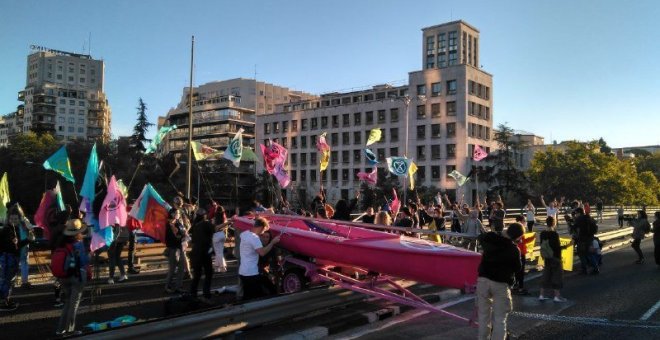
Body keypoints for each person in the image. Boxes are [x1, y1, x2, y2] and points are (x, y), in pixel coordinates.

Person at [476, 222, 524, 340]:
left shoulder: (490, 239)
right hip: (501, 283)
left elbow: (481, 236)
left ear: (507, 229)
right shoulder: (514, 249)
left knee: (483, 317)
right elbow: (518, 268)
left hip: (483, 280)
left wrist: (500, 233)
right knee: (499, 319)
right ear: (518, 236)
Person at [55, 219, 90, 336]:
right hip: (76, 276)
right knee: (74, 304)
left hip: (64, 276)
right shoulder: (78, 244)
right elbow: (83, 261)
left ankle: (60, 329)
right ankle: (70, 330)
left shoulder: (61, 243)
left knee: (67, 302)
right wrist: (90, 255)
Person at [239, 217, 280, 301]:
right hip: (251, 273)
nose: (263, 232)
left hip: (242, 271)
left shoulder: (244, 234)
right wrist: (272, 242)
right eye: (264, 230)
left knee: (247, 295)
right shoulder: (254, 238)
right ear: (261, 227)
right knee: (256, 297)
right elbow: (262, 252)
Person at [0, 208, 30, 311]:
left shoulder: (12, 228)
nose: (13, 220)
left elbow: (16, 245)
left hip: (9, 257)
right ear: (8, 219)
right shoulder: (8, 230)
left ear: (19, 219)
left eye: (16, 219)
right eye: (12, 218)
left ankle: (5, 300)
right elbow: (14, 246)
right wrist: (27, 240)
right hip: (9, 258)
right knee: (8, 280)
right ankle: (4, 302)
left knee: (6, 279)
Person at [538, 216, 568, 302]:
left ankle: (541, 295)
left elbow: (542, 244)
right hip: (555, 257)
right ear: (554, 223)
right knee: (557, 276)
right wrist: (567, 246)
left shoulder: (542, 233)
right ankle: (557, 296)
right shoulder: (554, 234)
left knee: (546, 275)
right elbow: (557, 247)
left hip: (546, 257)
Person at [189, 209, 215, 303]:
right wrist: (228, 222)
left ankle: (193, 293)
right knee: (209, 273)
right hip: (205, 252)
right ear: (204, 215)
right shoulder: (206, 224)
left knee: (197, 275)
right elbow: (215, 229)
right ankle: (206, 294)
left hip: (195, 252)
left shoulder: (195, 225)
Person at [164, 208, 186, 294]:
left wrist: (185, 234)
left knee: (181, 268)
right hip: (173, 248)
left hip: (180, 247)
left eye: (179, 213)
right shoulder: (169, 224)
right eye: (177, 213)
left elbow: (183, 231)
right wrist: (182, 236)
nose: (179, 214)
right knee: (172, 269)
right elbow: (175, 236)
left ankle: (178, 287)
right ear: (172, 214)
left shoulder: (178, 222)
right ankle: (167, 287)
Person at [572, 208, 599, 274]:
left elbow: (574, 228)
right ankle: (596, 268)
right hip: (590, 239)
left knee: (582, 254)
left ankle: (584, 269)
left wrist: (570, 223)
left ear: (579, 213)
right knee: (590, 253)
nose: (576, 215)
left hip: (582, 240)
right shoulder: (589, 217)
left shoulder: (579, 219)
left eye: (576, 213)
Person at [212, 206, 230, 273]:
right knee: (220, 252)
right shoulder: (224, 219)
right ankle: (217, 267)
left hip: (216, 235)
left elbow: (214, 227)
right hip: (222, 234)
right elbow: (226, 227)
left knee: (218, 252)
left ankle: (223, 267)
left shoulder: (215, 219)